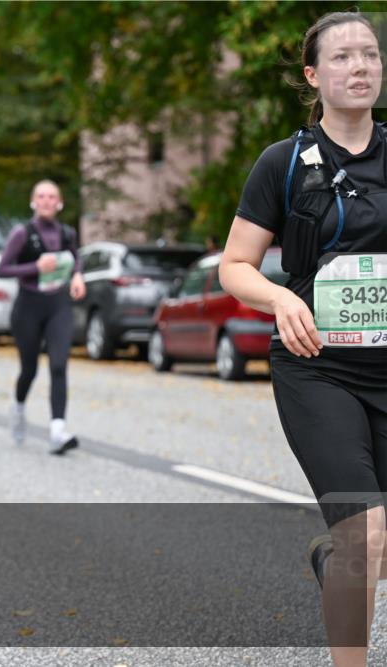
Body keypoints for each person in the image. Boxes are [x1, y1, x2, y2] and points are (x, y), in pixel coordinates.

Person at [219, 12, 387, 666]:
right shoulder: (283, 163)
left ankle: (335, 552)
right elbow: (234, 265)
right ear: (315, 75)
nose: (360, 66)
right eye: (342, 57)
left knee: (361, 544)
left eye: (370, 54)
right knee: (365, 532)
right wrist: (281, 294)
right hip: (319, 368)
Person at [0, 180, 87, 454]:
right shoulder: (22, 234)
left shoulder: (67, 233)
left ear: (59, 202)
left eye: (51, 196)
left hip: (58, 304)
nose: (46, 201)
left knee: (59, 365)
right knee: (30, 370)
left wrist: (78, 276)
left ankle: (58, 431)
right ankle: (18, 407)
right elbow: (3, 270)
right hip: (28, 307)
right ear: (33, 202)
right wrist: (34, 266)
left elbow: (76, 258)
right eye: (41, 196)